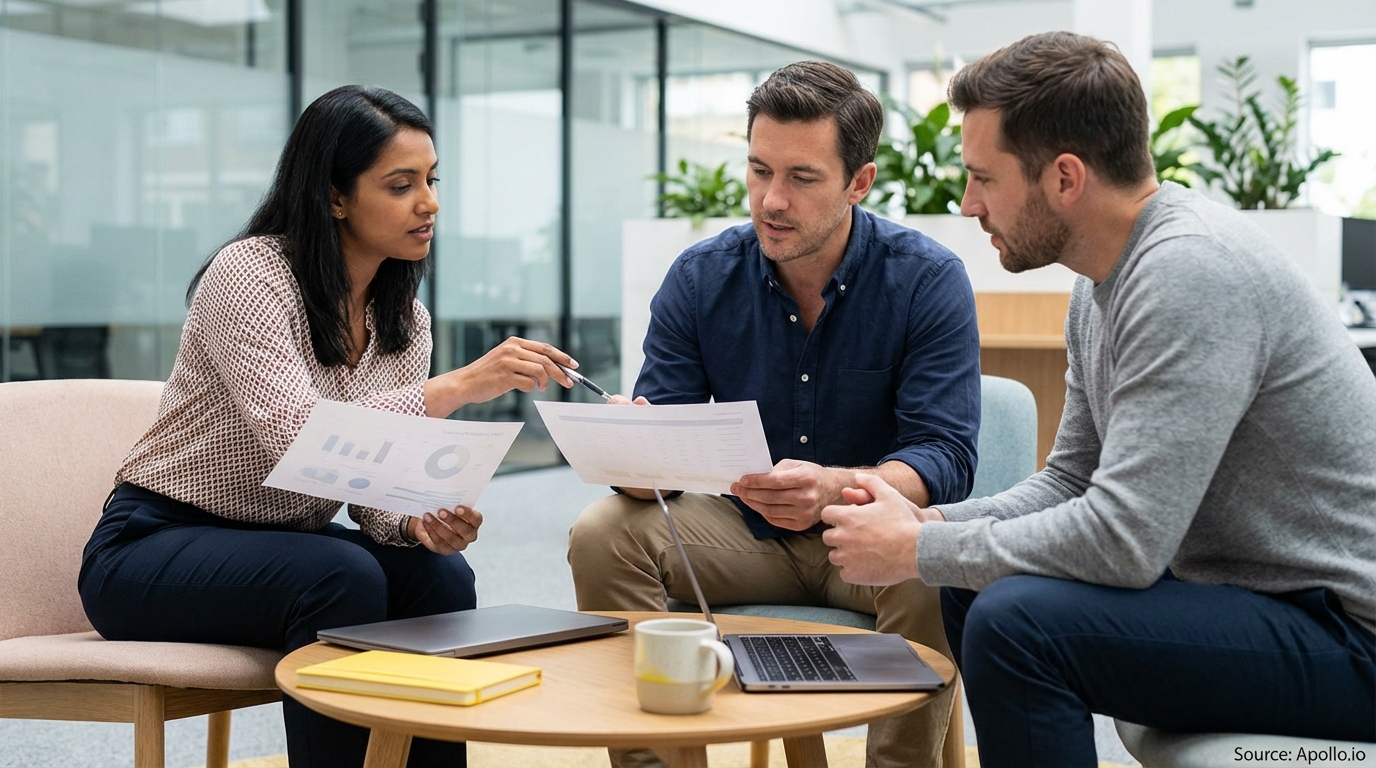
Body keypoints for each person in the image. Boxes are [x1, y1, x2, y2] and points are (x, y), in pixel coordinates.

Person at [819, 31, 1376, 768]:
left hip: (1348, 635)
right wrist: (933, 521)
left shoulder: (1188, 274)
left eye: (985, 177)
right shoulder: (1100, 285)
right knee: (974, 590)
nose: (968, 202)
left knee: (1018, 623)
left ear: (1066, 178)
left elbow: (1125, 541)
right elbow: (1071, 481)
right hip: (1260, 597)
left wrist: (921, 547)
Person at [78, 85, 581, 768]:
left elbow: (368, 492)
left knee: (442, 579)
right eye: (400, 185)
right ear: (335, 196)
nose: (428, 202)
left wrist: (414, 523)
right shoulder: (250, 276)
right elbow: (300, 438)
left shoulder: (405, 321)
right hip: (151, 547)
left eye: (432, 180)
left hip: (287, 550)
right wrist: (456, 388)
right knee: (338, 572)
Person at [567, 61, 982, 768]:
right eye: (759, 171)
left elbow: (945, 454)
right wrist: (637, 455)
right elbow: (655, 466)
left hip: (864, 534)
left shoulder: (926, 280)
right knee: (604, 532)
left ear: (859, 182)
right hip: (740, 534)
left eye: (801, 177)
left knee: (926, 556)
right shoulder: (701, 278)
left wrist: (834, 488)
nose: (771, 200)